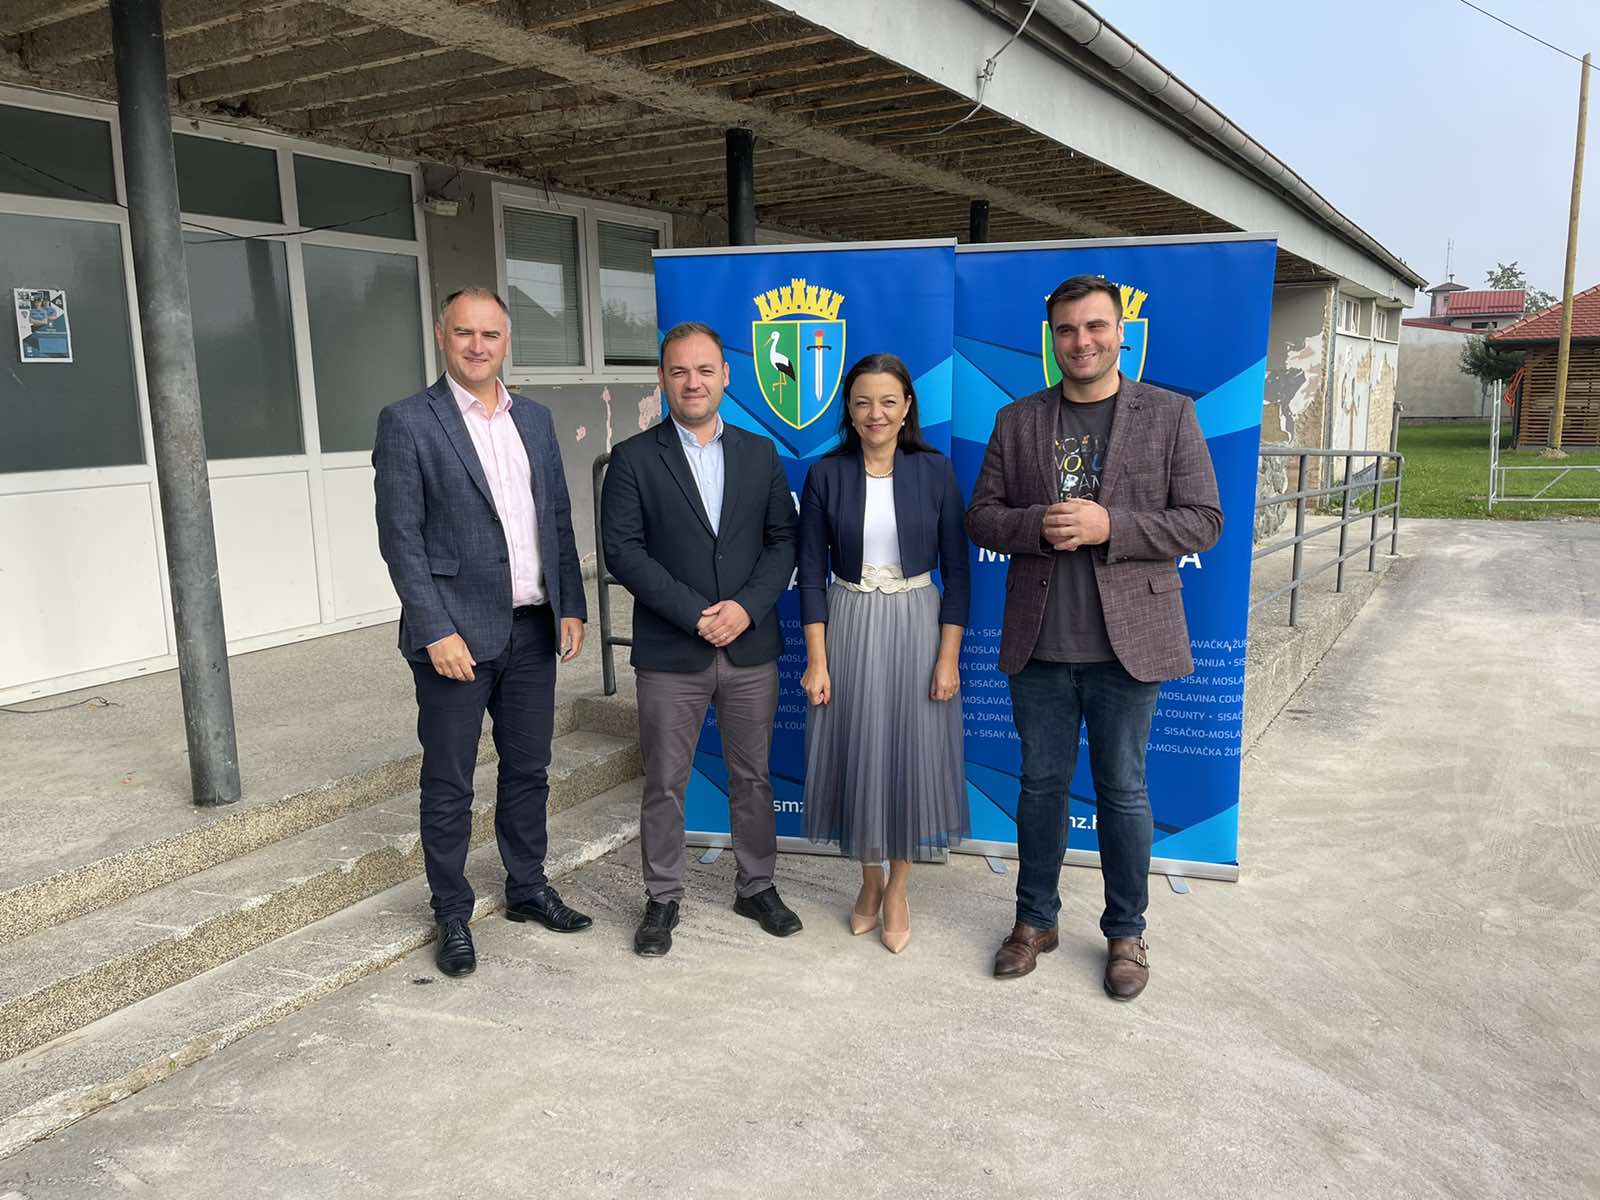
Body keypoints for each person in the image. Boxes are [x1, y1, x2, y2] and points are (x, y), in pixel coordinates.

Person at [966, 274, 1223, 999]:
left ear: (1120, 333)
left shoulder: (1170, 414)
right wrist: (1033, 525)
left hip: (1129, 645)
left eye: (1095, 326)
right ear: (1052, 339)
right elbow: (981, 516)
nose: (1082, 341)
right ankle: (1034, 921)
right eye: (1067, 330)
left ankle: (1125, 933)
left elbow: (1204, 520)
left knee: (1123, 791)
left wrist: (1113, 526)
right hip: (1039, 643)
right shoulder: (1017, 420)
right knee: (1040, 788)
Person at [374, 286, 589, 979]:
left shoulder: (536, 419)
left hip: (532, 631)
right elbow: (401, 538)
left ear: (506, 342)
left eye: (490, 334)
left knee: (529, 770)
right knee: (450, 782)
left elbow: (557, 519)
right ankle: (451, 912)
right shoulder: (409, 422)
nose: (477, 346)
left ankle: (527, 887)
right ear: (443, 336)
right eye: (464, 332)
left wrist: (572, 605)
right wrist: (434, 628)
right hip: (454, 640)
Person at [600, 321, 801, 957]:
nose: (693, 382)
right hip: (672, 652)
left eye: (705, 370)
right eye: (680, 371)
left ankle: (756, 885)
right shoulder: (634, 458)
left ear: (725, 376)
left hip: (748, 646)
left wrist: (744, 609)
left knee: (753, 777)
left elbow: (783, 542)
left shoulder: (759, 454)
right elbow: (623, 552)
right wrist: (696, 614)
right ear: (663, 379)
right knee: (664, 781)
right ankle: (662, 896)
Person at [797, 353, 969, 953]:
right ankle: (868, 879)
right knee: (857, 747)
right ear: (849, 409)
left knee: (910, 751)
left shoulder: (935, 470)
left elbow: (958, 573)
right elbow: (810, 573)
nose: (876, 413)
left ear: (906, 408)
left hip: (918, 623)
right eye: (864, 402)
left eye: (888, 401)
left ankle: (898, 887)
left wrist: (947, 658)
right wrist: (817, 660)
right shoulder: (826, 475)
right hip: (846, 621)